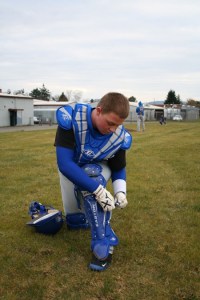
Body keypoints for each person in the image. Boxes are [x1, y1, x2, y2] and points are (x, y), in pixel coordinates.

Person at [54, 92, 132, 271]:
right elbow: (64, 163)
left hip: (97, 168)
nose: (113, 129)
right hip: (72, 166)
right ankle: (95, 219)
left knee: (91, 175)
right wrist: (98, 191)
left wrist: (120, 191)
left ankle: (101, 239)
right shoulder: (72, 118)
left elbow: (118, 166)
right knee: (76, 222)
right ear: (98, 111)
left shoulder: (119, 135)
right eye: (110, 123)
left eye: (117, 125)